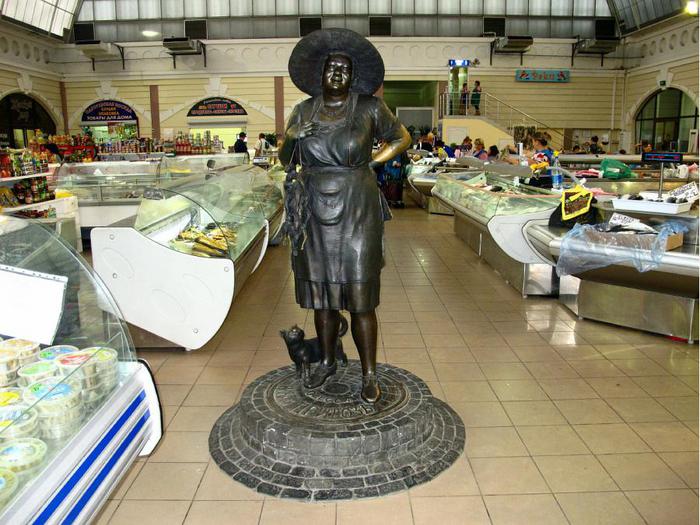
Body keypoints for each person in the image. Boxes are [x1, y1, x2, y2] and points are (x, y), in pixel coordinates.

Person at [279, 28, 411, 403]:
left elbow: (401, 137)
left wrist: (374, 161)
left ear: (353, 77)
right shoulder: (303, 110)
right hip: (313, 207)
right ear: (319, 73)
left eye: (344, 69)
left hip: (357, 205)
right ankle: (326, 361)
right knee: (323, 295)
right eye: (331, 68)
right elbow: (286, 160)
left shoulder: (369, 107)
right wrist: (293, 137)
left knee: (360, 295)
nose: (337, 74)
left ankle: (369, 373)